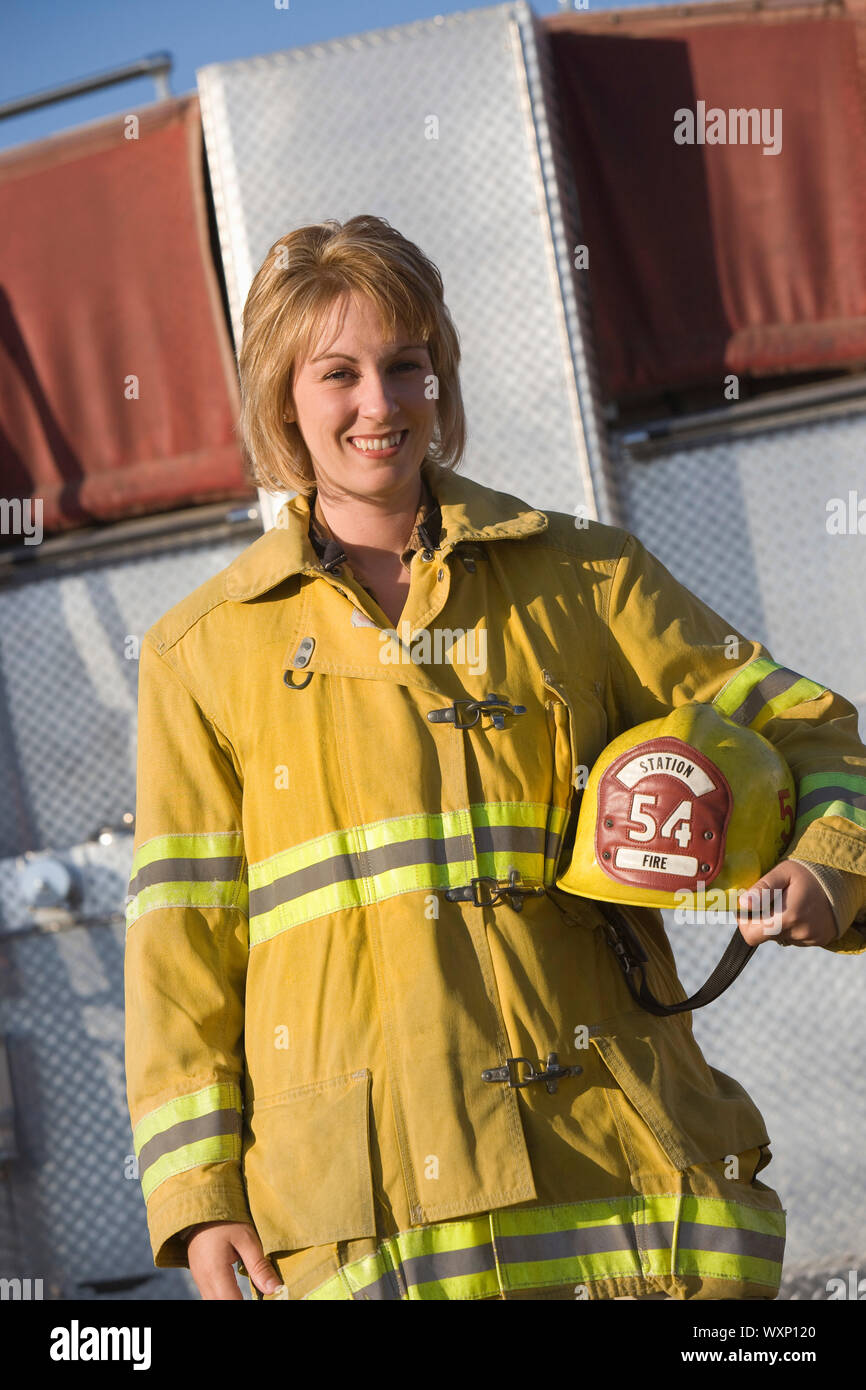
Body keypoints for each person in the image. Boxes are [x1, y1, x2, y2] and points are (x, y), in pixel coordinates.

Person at [124, 214, 866, 1302]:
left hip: (622, 1197)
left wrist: (826, 863)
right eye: (338, 373)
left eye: (406, 366)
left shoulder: (588, 580)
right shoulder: (199, 653)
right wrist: (199, 1198)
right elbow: (180, 945)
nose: (378, 404)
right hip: (366, 1220)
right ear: (284, 396)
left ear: (440, 380)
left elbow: (808, 725)